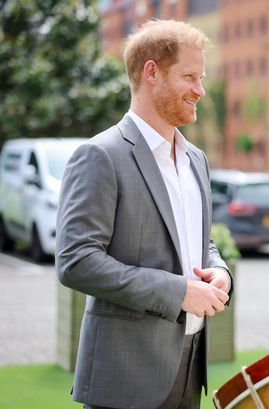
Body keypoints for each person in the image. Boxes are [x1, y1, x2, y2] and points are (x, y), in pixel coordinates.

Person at [56, 20, 232, 409]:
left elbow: (202, 242)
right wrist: (179, 292)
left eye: (201, 78)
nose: (200, 90)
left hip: (189, 369)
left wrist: (219, 271)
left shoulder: (196, 160)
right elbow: (76, 261)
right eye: (189, 76)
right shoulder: (101, 156)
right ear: (151, 72)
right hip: (125, 376)